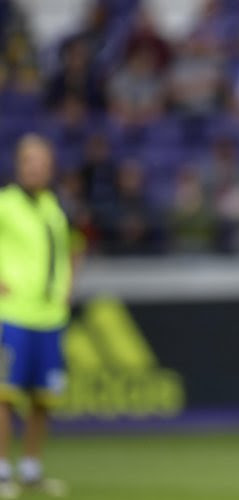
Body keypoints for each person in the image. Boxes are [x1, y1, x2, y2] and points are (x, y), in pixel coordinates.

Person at [0, 134, 72, 498]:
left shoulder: (53, 207)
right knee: (4, 396)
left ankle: (30, 469)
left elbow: (66, 253)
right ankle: (1, 471)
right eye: (31, 162)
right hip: (11, 315)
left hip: (50, 318)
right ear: (19, 164)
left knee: (43, 398)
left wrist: (65, 289)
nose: (37, 168)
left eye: (43, 163)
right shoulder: (5, 203)